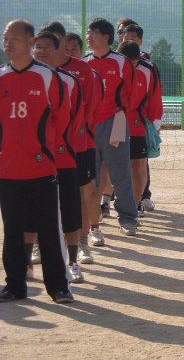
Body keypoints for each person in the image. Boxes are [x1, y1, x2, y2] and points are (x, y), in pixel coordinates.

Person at [0, 20, 73, 303]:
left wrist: (44, 147)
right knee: (12, 229)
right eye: (5, 38)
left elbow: (62, 118)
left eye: (14, 39)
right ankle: (15, 285)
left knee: (48, 229)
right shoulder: (1, 76)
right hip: (7, 168)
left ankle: (58, 286)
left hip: (41, 166)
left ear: (30, 42)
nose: (8, 43)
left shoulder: (47, 76)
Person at [40, 22, 103, 265]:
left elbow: (90, 108)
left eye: (57, 41)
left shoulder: (80, 71)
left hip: (78, 144)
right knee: (40, 196)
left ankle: (84, 241)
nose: (53, 47)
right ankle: (37, 246)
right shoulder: (35, 73)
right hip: (43, 149)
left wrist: (75, 135)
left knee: (82, 193)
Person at [28, 31, 86, 281]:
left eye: (47, 47)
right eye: (37, 47)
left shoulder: (69, 81)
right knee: (31, 211)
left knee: (69, 211)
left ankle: (72, 262)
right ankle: (29, 260)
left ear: (59, 50)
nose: (42, 51)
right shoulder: (23, 79)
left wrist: (59, 144)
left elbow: (76, 120)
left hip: (64, 157)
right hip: (31, 159)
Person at [82, 18, 139, 235]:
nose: (89, 36)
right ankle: (91, 219)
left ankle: (128, 218)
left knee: (120, 173)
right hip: (89, 126)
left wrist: (120, 116)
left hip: (115, 121)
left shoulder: (121, 62)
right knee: (91, 176)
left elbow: (131, 94)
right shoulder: (83, 63)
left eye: (93, 33)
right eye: (88, 32)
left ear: (106, 37)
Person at [116, 40, 162, 216]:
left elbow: (155, 98)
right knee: (109, 165)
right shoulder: (112, 67)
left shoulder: (147, 70)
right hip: (114, 123)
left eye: (134, 64)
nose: (131, 68)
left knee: (138, 165)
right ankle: (105, 202)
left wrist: (154, 125)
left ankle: (135, 206)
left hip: (137, 125)